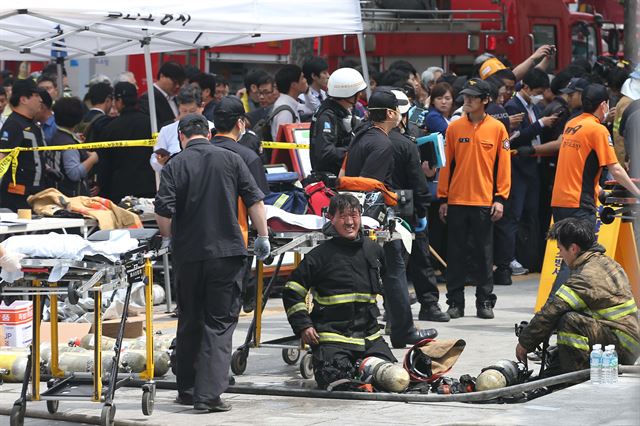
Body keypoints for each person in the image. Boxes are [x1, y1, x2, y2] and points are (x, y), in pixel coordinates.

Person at [155, 113, 269, 412]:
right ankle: (208, 396)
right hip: (227, 253)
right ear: (209, 132)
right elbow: (255, 201)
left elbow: (163, 211)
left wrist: (168, 240)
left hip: (188, 256)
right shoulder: (231, 160)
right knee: (219, 323)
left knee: (190, 319)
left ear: (181, 136)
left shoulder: (174, 165)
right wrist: (263, 236)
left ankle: (188, 389)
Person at [345, 88, 437, 348]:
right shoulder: (383, 143)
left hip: (363, 216)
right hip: (377, 219)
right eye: (396, 110)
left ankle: (397, 329)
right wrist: (377, 224)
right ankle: (403, 331)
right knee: (395, 271)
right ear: (389, 113)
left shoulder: (361, 136)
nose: (399, 115)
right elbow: (371, 187)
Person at [282, 194, 396, 389]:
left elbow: (388, 287)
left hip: (368, 338)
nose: (350, 222)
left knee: (393, 377)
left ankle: (364, 368)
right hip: (332, 338)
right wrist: (304, 326)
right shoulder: (318, 257)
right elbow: (292, 290)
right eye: (343, 216)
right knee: (336, 379)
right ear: (331, 218)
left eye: (355, 215)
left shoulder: (373, 251)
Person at [516, 218, 640, 375]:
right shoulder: (605, 262)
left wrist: (525, 343)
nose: (560, 254)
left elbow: (552, 310)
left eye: (560, 249)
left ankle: (572, 378)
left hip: (620, 349)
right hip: (627, 342)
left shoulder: (586, 276)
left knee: (570, 321)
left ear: (573, 248)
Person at [437, 78, 511, 319]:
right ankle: (455, 302)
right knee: (455, 255)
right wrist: (443, 198)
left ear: (486, 100)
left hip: (484, 201)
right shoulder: (454, 127)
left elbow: (504, 167)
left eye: (472, 97)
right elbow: (446, 166)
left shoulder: (498, 129)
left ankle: (484, 302)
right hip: (457, 201)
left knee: (484, 254)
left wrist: (500, 198)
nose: (466, 100)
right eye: (465, 96)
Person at [388, 89, 449, 322]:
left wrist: (430, 171)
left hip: (411, 199)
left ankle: (429, 303)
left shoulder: (415, 133)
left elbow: (429, 169)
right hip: (392, 199)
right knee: (394, 257)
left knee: (421, 255)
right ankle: (394, 306)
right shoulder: (378, 135)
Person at [498, 68, 556, 278]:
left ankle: (529, 256)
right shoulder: (513, 106)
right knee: (515, 214)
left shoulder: (534, 106)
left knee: (531, 214)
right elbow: (514, 139)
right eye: (537, 91)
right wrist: (541, 124)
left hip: (533, 167)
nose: (539, 95)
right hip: (518, 166)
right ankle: (509, 258)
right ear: (527, 87)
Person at [98, 82, 155, 203]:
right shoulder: (152, 124)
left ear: (119, 101)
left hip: (119, 189)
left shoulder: (110, 128)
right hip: (149, 186)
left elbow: (105, 162)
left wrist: (101, 186)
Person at [0, 79, 48, 211]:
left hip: (35, 195)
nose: (40, 100)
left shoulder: (33, 125)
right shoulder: (13, 124)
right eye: (36, 95)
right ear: (23, 99)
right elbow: (2, 157)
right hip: (17, 197)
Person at [309, 67, 367, 175]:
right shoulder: (327, 116)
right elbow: (325, 152)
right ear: (346, 93)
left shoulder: (340, 110)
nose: (360, 95)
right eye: (357, 93)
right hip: (330, 180)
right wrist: (354, 151)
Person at [150, 85, 212, 174]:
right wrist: (160, 162)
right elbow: (154, 160)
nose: (188, 115)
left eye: (192, 111)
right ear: (178, 107)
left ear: (202, 106)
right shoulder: (167, 130)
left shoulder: (212, 127)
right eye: (184, 111)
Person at [50, 97, 99, 196]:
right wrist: (93, 159)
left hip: (57, 192)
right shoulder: (69, 145)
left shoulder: (56, 136)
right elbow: (74, 173)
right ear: (79, 118)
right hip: (71, 198)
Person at [140, 61, 186, 129]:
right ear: (162, 76)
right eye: (174, 82)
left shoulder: (175, 98)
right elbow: (151, 127)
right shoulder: (148, 98)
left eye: (180, 83)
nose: (177, 86)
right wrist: (177, 120)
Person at [271, 65, 307, 140]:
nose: (305, 81)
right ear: (294, 85)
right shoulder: (285, 111)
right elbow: (283, 141)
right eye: (302, 78)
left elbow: (312, 108)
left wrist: (308, 91)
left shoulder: (289, 104)